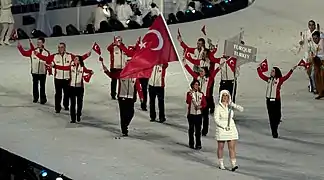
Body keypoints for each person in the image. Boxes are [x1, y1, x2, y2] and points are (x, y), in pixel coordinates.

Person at [35, 42, 91, 113]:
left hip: (67, 78)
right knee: (58, 94)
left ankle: (66, 105)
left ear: (64, 48)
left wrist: (87, 55)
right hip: (58, 78)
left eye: (61, 47)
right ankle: (57, 108)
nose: (60, 49)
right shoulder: (54, 56)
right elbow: (46, 58)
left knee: (67, 94)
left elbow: (79, 59)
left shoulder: (70, 56)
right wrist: (38, 55)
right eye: (59, 47)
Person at [102, 58, 143, 136]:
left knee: (131, 113)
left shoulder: (135, 74)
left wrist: (141, 97)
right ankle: (124, 129)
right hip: (122, 96)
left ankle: (125, 124)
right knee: (123, 114)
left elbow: (138, 86)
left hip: (131, 97)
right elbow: (112, 75)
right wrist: (106, 70)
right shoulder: (121, 73)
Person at [183, 58, 221, 136]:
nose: (200, 72)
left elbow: (215, 72)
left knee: (205, 116)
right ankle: (197, 129)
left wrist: (220, 66)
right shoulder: (198, 78)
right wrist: (185, 64)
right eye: (200, 71)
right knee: (198, 115)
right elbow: (190, 72)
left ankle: (205, 131)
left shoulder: (209, 79)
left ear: (205, 72)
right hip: (198, 97)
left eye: (202, 71)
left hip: (206, 99)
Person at [257, 65, 297, 138]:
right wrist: (258, 69)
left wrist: (291, 70)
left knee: (278, 116)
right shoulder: (269, 79)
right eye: (271, 71)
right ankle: (274, 132)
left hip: (276, 101)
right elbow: (261, 76)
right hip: (269, 101)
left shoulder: (279, 80)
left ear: (276, 72)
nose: (271, 72)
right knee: (271, 117)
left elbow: (286, 77)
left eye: (273, 71)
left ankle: (276, 125)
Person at [57, 56, 94, 123]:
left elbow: (87, 71)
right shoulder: (71, 67)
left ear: (79, 61)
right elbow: (63, 68)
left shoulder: (82, 68)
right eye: (74, 59)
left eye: (76, 59)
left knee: (79, 103)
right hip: (72, 88)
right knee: (72, 104)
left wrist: (91, 71)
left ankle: (78, 115)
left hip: (80, 88)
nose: (74, 60)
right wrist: (54, 66)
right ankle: (73, 118)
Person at [214, 90, 244, 171]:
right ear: (221, 97)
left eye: (227, 95)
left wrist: (233, 104)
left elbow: (241, 109)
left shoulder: (230, 106)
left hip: (231, 127)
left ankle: (233, 164)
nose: (225, 97)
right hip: (222, 128)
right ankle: (221, 163)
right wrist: (224, 126)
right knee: (221, 147)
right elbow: (216, 119)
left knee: (232, 147)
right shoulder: (218, 107)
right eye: (223, 95)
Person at [116, 40, 148, 111]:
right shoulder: (137, 53)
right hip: (140, 74)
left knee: (137, 89)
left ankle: (138, 101)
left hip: (140, 74)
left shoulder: (133, 53)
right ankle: (141, 103)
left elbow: (125, 50)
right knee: (139, 89)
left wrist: (120, 45)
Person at [17, 38, 50, 104]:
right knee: (35, 86)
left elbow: (49, 62)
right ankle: (35, 98)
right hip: (34, 72)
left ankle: (43, 99)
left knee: (42, 86)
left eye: (40, 42)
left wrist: (49, 71)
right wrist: (20, 47)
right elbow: (24, 53)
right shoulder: (33, 51)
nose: (38, 44)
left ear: (43, 43)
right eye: (37, 42)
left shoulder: (46, 52)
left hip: (43, 72)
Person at [186, 79, 206, 149]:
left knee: (198, 131)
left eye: (198, 84)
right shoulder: (189, 93)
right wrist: (190, 95)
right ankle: (191, 143)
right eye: (195, 84)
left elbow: (204, 104)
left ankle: (198, 144)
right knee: (191, 130)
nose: (196, 86)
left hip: (198, 115)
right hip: (191, 114)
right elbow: (188, 102)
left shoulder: (201, 94)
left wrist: (200, 106)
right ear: (192, 85)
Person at [299, 20, 316, 93]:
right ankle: (311, 83)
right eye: (310, 25)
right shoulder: (305, 33)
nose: (311, 26)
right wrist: (301, 42)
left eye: (312, 25)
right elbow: (302, 41)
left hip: (315, 53)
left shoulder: (317, 32)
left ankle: (313, 85)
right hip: (307, 54)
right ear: (308, 26)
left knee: (314, 71)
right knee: (308, 70)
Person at [310, 31, 324, 99]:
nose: (315, 40)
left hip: (322, 61)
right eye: (313, 39)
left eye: (316, 38)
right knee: (317, 76)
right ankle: (320, 91)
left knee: (321, 76)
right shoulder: (318, 44)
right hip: (317, 61)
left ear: (319, 37)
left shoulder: (322, 42)